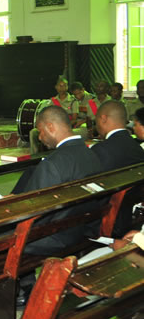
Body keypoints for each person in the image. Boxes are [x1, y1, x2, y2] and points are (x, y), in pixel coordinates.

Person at [13, 105, 104, 304]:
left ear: (51, 127)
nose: (40, 137)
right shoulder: (91, 154)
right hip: (81, 230)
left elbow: (31, 211)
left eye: (41, 131)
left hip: (54, 238)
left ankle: (23, 289)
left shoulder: (52, 163)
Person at [90, 100, 144, 237]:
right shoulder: (138, 148)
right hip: (130, 217)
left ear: (103, 119)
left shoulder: (100, 151)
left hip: (106, 221)